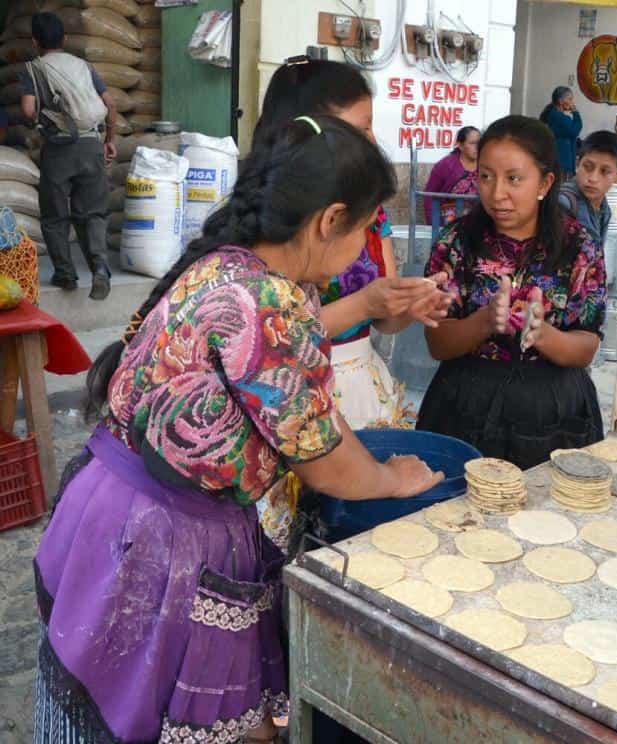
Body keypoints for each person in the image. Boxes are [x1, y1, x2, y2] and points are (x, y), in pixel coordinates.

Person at [33, 115, 442, 743]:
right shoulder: (269, 302)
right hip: (167, 535)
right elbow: (325, 458)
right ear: (330, 220)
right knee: (202, 720)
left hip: (110, 505)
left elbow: (281, 382)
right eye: (365, 229)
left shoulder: (230, 265)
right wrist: (389, 478)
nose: (365, 247)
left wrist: (363, 307)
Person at [251, 58, 450, 549]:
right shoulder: (268, 291)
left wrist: (402, 302)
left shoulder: (255, 275)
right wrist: (389, 479)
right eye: (361, 129)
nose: (372, 144)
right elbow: (322, 459)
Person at [417, 115, 607, 470]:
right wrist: (485, 320)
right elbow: (437, 343)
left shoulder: (579, 246)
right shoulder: (456, 242)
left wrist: (543, 334)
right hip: (465, 402)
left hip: (554, 407)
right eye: (486, 176)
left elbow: (587, 346)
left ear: (545, 182)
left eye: (514, 179)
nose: (496, 193)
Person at [19, 12, 116, 299]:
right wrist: (109, 140)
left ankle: (65, 274)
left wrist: (39, 121)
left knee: (55, 215)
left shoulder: (33, 69)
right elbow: (109, 103)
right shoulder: (83, 65)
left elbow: (26, 110)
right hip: (91, 145)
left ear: (35, 41)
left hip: (59, 150)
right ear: (64, 39)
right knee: (94, 213)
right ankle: (99, 268)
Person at [558, 129, 617, 248]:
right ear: (577, 164)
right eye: (588, 167)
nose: (593, 178)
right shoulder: (563, 203)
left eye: (605, 171)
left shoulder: (604, 208)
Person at [423, 125, 481, 226]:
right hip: (449, 220)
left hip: (477, 217)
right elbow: (429, 196)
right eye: (472, 143)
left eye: (479, 143)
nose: (477, 147)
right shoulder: (445, 165)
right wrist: (433, 225)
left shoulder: (486, 164)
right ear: (460, 145)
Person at [540, 86, 582, 178]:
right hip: (562, 162)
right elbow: (575, 131)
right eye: (570, 99)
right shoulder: (559, 117)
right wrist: (576, 113)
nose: (572, 103)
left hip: (560, 161)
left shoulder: (553, 114)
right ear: (560, 101)